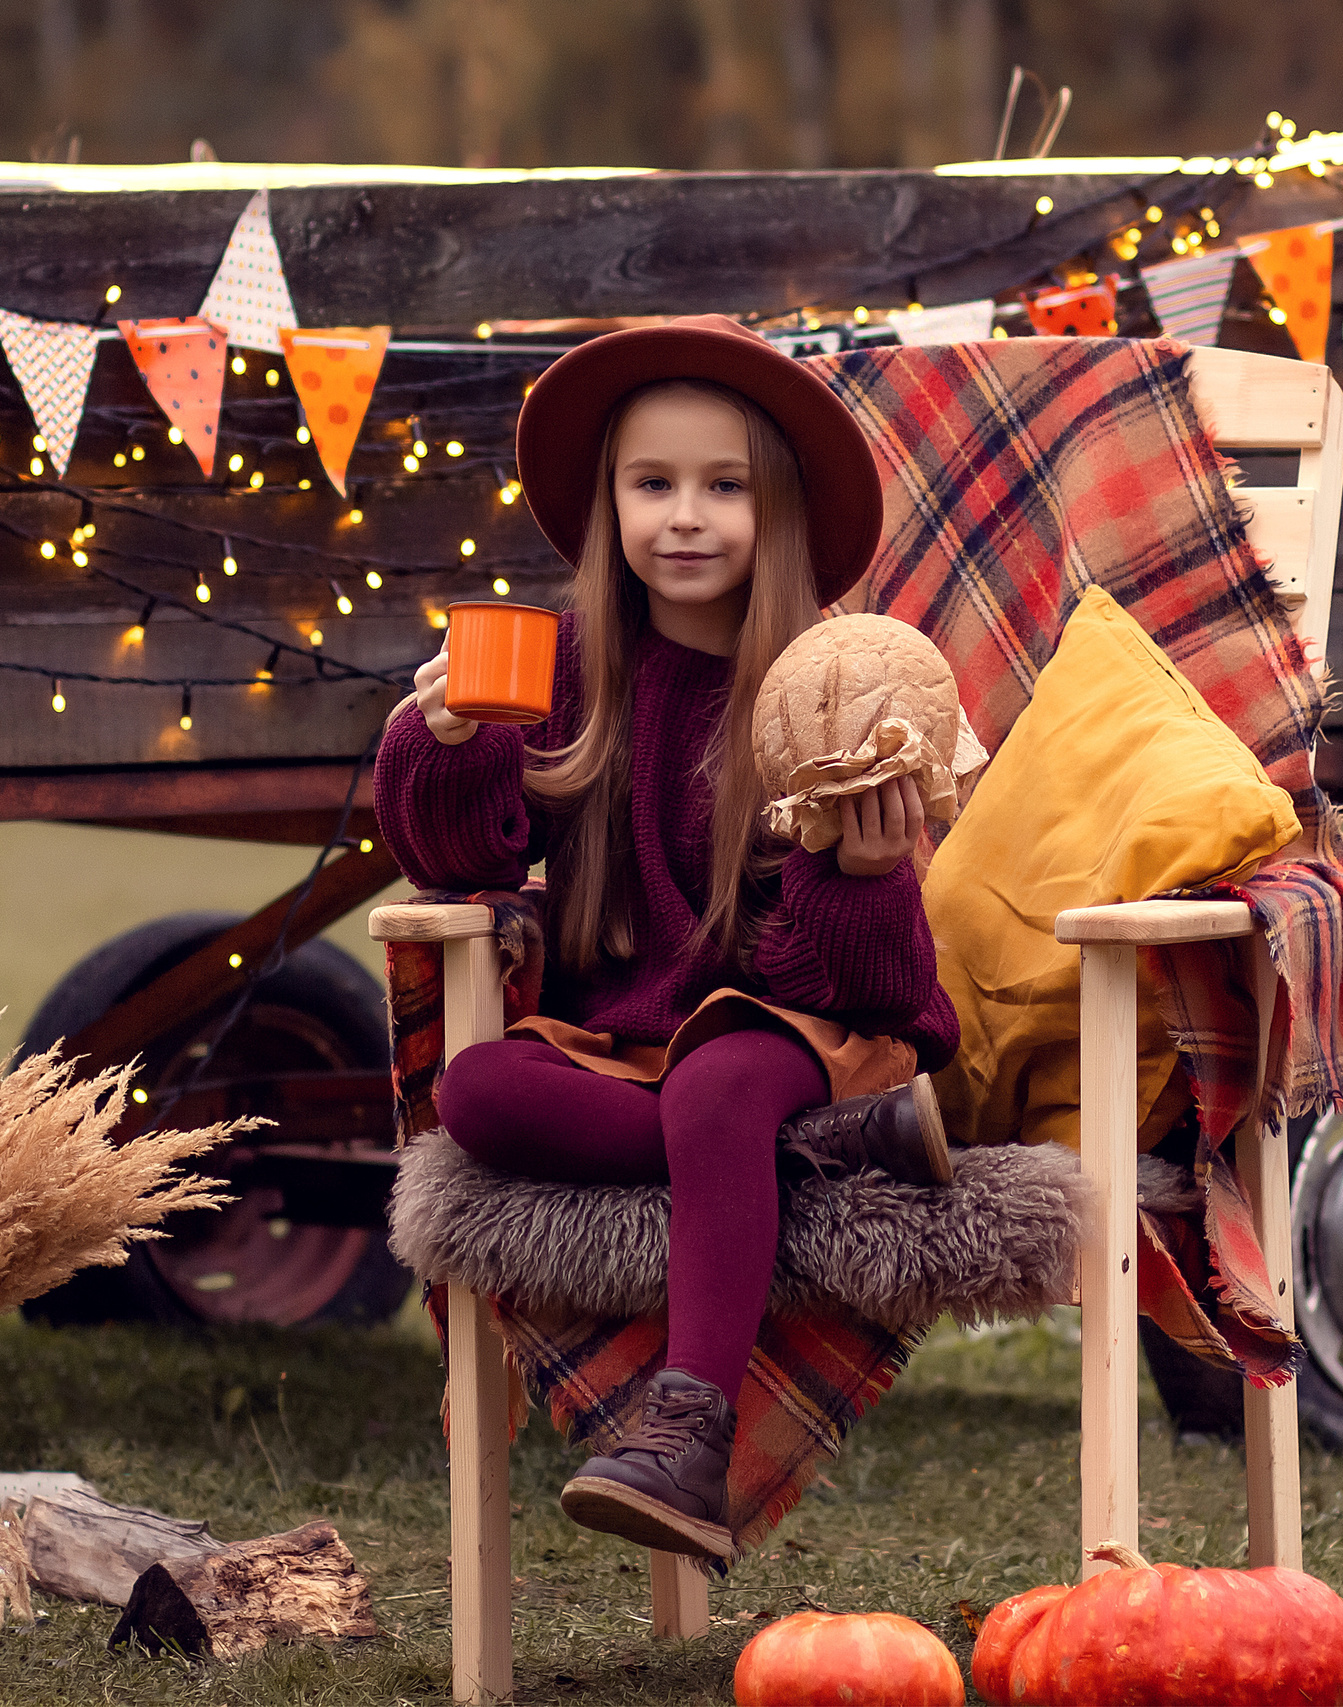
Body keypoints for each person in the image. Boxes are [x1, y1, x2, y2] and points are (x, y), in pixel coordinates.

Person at [374, 316, 960, 1562]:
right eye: (653, 485)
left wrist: (859, 870)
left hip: (800, 1023)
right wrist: (444, 742)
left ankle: (685, 1431)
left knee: (720, 1084)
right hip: (629, 1041)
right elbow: (464, 862)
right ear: (610, 506)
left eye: (723, 486)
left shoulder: (823, 685)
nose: (683, 517)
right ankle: (813, 1154)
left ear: (779, 511)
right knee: (477, 1089)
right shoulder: (576, 662)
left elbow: (868, 982)